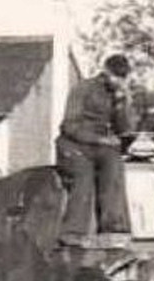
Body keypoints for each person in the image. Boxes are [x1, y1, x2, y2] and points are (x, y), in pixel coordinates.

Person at [55, 54, 135, 247]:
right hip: (73, 144)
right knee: (83, 176)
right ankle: (73, 232)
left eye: (122, 77)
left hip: (101, 147)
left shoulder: (117, 94)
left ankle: (113, 230)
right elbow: (69, 126)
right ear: (106, 72)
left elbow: (123, 129)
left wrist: (121, 104)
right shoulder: (83, 89)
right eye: (116, 76)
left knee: (114, 166)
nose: (119, 81)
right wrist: (99, 139)